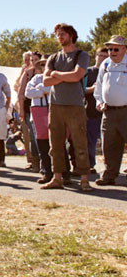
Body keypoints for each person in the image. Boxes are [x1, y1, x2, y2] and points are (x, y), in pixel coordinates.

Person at [42, 23, 91, 192]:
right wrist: (64, 76)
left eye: (63, 34)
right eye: (57, 34)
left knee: (79, 142)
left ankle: (84, 179)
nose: (60, 37)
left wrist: (56, 74)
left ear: (71, 35)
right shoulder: (53, 58)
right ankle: (57, 178)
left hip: (75, 105)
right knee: (55, 143)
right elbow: (45, 81)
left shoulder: (81, 55)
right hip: (56, 105)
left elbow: (77, 75)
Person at [94, 35, 127, 186]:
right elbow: (99, 87)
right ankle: (109, 175)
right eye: (109, 49)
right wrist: (99, 101)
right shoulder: (106, 64)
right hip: (109, 112)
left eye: (115, 49)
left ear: (124, 50)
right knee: (109, 145)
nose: (112, 52)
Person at [25, 57, 54, 183]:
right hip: (38, 112)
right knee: (42, 143)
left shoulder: (55, 77)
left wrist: (41, 88)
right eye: (42, 65)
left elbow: (52, 90)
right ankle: (46, 171)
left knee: (57, 143)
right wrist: (42, 90)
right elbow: (28, 92)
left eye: (46, 64)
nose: (44, 67)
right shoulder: (35, 78)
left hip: (53, 111)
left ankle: (62, 171)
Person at [85, 47, 108, 174]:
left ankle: (109, 167)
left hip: (108, 111)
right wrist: (92, 89)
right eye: (101, 55)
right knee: (90, 140)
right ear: (96, 56)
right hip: (91, 111)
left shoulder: (110, 72)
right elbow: (79, 90)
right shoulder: (88, 71)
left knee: (109, 142)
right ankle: (90, 164)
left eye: (106, 56)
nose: (103, 58)